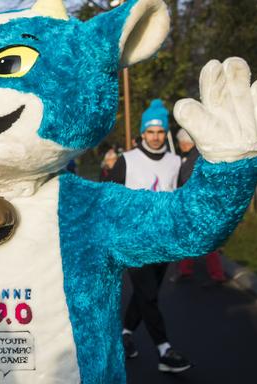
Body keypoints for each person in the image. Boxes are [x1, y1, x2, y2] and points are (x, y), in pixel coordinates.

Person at [110, 100, 191, 373]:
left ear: (164, 132)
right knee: (148, 293)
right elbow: (110, 198)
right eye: (150, 131)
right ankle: (164, 349)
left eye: (159, 132)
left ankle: (124, 333)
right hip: (133, 241)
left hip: (164, 241)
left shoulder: (175, 162)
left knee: (148, 294)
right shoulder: (127, 160)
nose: (155, 137)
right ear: (143, 133)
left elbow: (179, 198)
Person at [170, 130, 228, 285]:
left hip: (196, 204)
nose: (180, 145)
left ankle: (216, 274)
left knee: (204, 241)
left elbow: (187, 180)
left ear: (186, 142)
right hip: (199, 203)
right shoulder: (197, 155)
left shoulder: (194, 158)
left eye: (181, 142)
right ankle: (185, 269)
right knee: (191, 239)